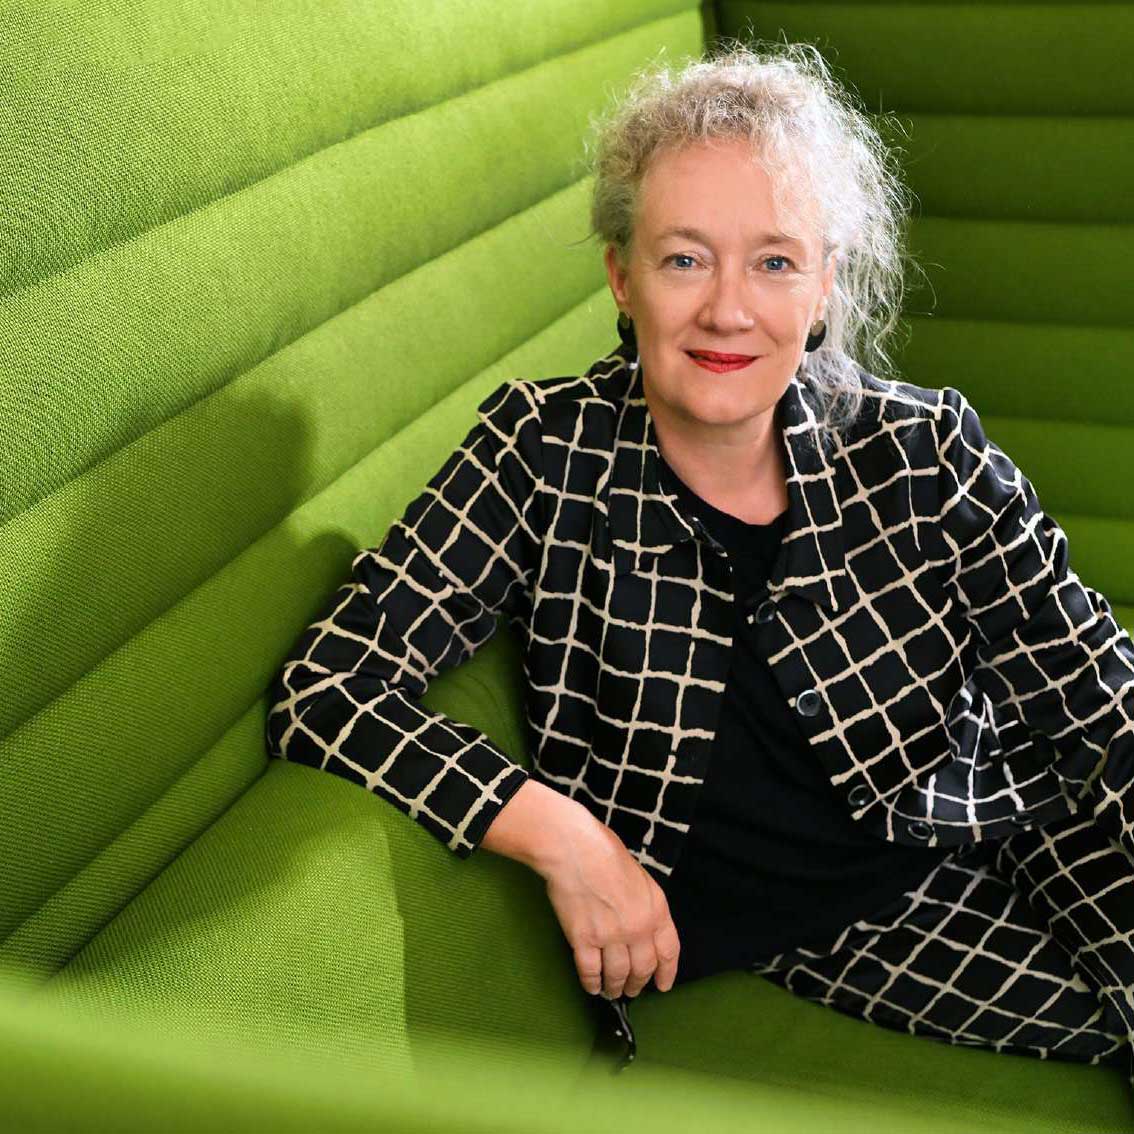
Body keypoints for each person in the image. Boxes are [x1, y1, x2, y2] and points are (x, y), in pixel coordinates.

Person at [265, 40, 1134, 1088]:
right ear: (621, 277)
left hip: (1005, 804)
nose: (728, 309)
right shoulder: (542, 456)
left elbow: (1098, 697)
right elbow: (328, 686)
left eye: (775, 262)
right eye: (684, 259)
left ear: (823, 288)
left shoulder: (924, 448)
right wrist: (563, 835)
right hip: (858, 919)